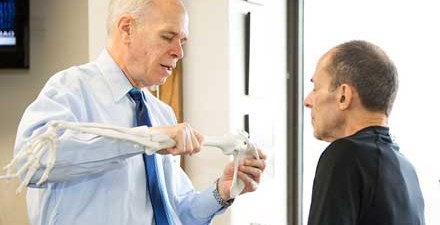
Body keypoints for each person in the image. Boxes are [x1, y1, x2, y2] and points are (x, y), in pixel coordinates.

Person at [14, 0, 266, 224]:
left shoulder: (161, 113)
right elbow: (29, 164)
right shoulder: (71, 88)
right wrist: (144, 140)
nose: (179, 52)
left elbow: (175, 211)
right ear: (127, 29)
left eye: (182, 41)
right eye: (168, 37)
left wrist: (222, 192)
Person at [304, 40, 425, 225]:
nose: (307, 101)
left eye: (315, 88)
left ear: (343, 95)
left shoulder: (344, 156)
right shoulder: (408, 171)